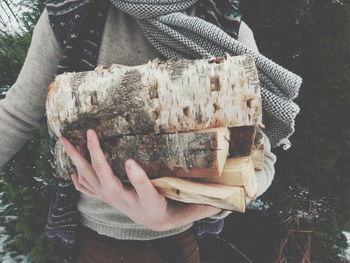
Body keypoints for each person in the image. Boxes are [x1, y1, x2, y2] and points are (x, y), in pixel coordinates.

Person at [0, 0, 285, 262]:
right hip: (93, 244)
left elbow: (261, 162)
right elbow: (16, 114)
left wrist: (171, 217)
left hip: (178, 244)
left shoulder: (226, 27)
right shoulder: (71, 18)